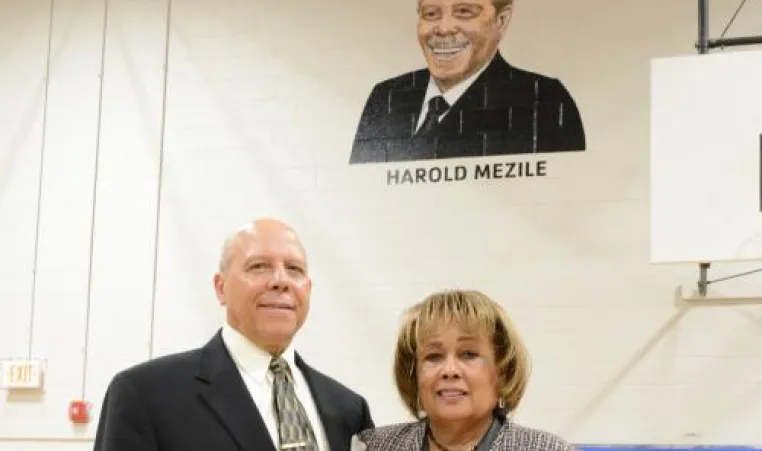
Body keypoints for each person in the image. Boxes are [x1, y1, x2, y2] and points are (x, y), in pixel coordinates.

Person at [93, 218, 374, 451]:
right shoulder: (145, 395)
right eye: (259, 266)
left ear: (308, 289)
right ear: (221, 287)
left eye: (294, 269)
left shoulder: (350, 410)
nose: (280, 281)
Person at [349, 0, 585, 164]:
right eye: (431, 14)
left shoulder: (544, 103)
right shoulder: (387, 96)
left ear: (501, 20)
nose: (443, 28)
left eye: (464, 11)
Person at [356, 289, 576, 451]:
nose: (449, 370)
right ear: (413, 374)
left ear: (502, 370)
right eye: (434, 356)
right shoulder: (374, 447)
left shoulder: (548, 449)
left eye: (468, 354)